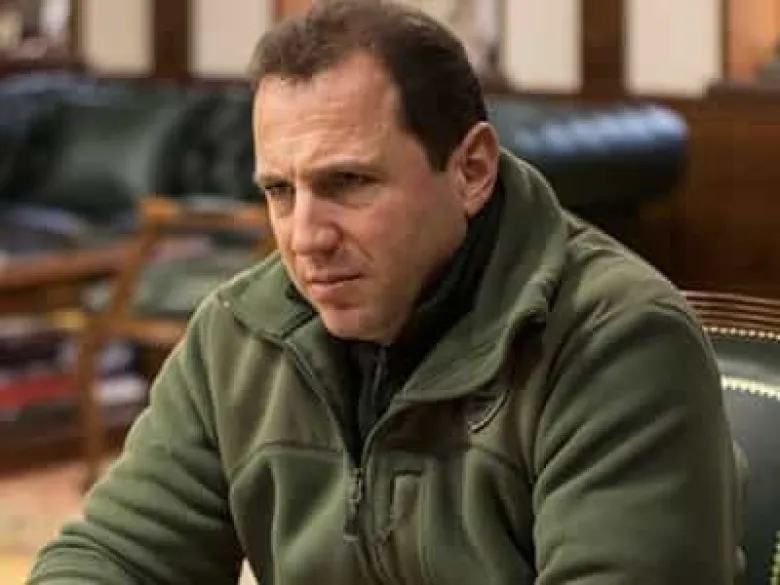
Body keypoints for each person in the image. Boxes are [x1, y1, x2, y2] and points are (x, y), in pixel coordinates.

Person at [29, 1, 741, 583]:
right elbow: (113, 557)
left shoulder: (617, 342)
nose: (305, 237)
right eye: (280, 192)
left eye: (348, 182)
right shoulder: (239, 333)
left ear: (471, 170)